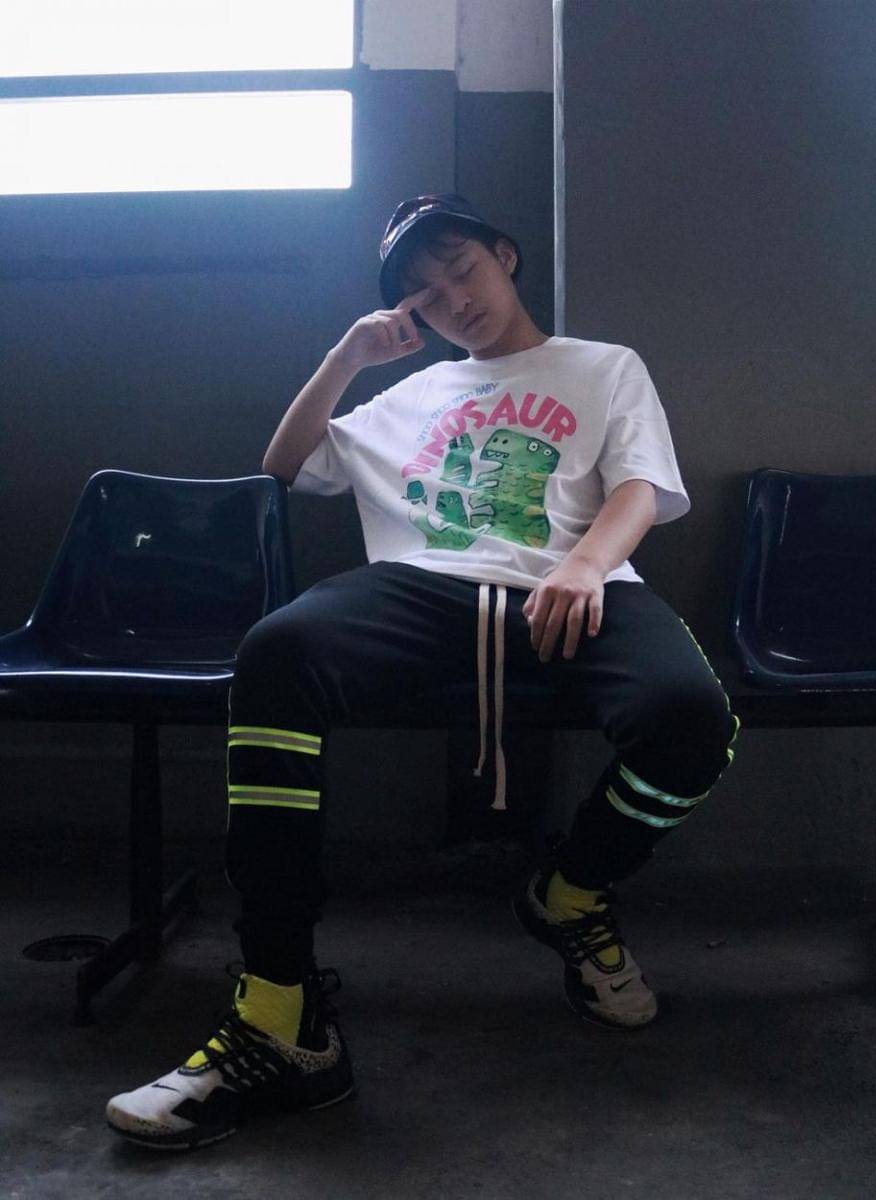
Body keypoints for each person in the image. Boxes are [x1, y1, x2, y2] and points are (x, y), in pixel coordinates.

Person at [106, 193, 741, 1150]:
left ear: (504, 255)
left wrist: (583, 564)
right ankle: (280, 1012)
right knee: (276, 652)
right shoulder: (410, 393)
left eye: (461, 268)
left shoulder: (604, 365)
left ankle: (571, 892)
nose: (452, 297)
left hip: (577, 582)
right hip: (423, 587)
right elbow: (284, 465)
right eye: (425, 292)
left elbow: (641, 488)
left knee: (693, 716)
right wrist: (347, 358)